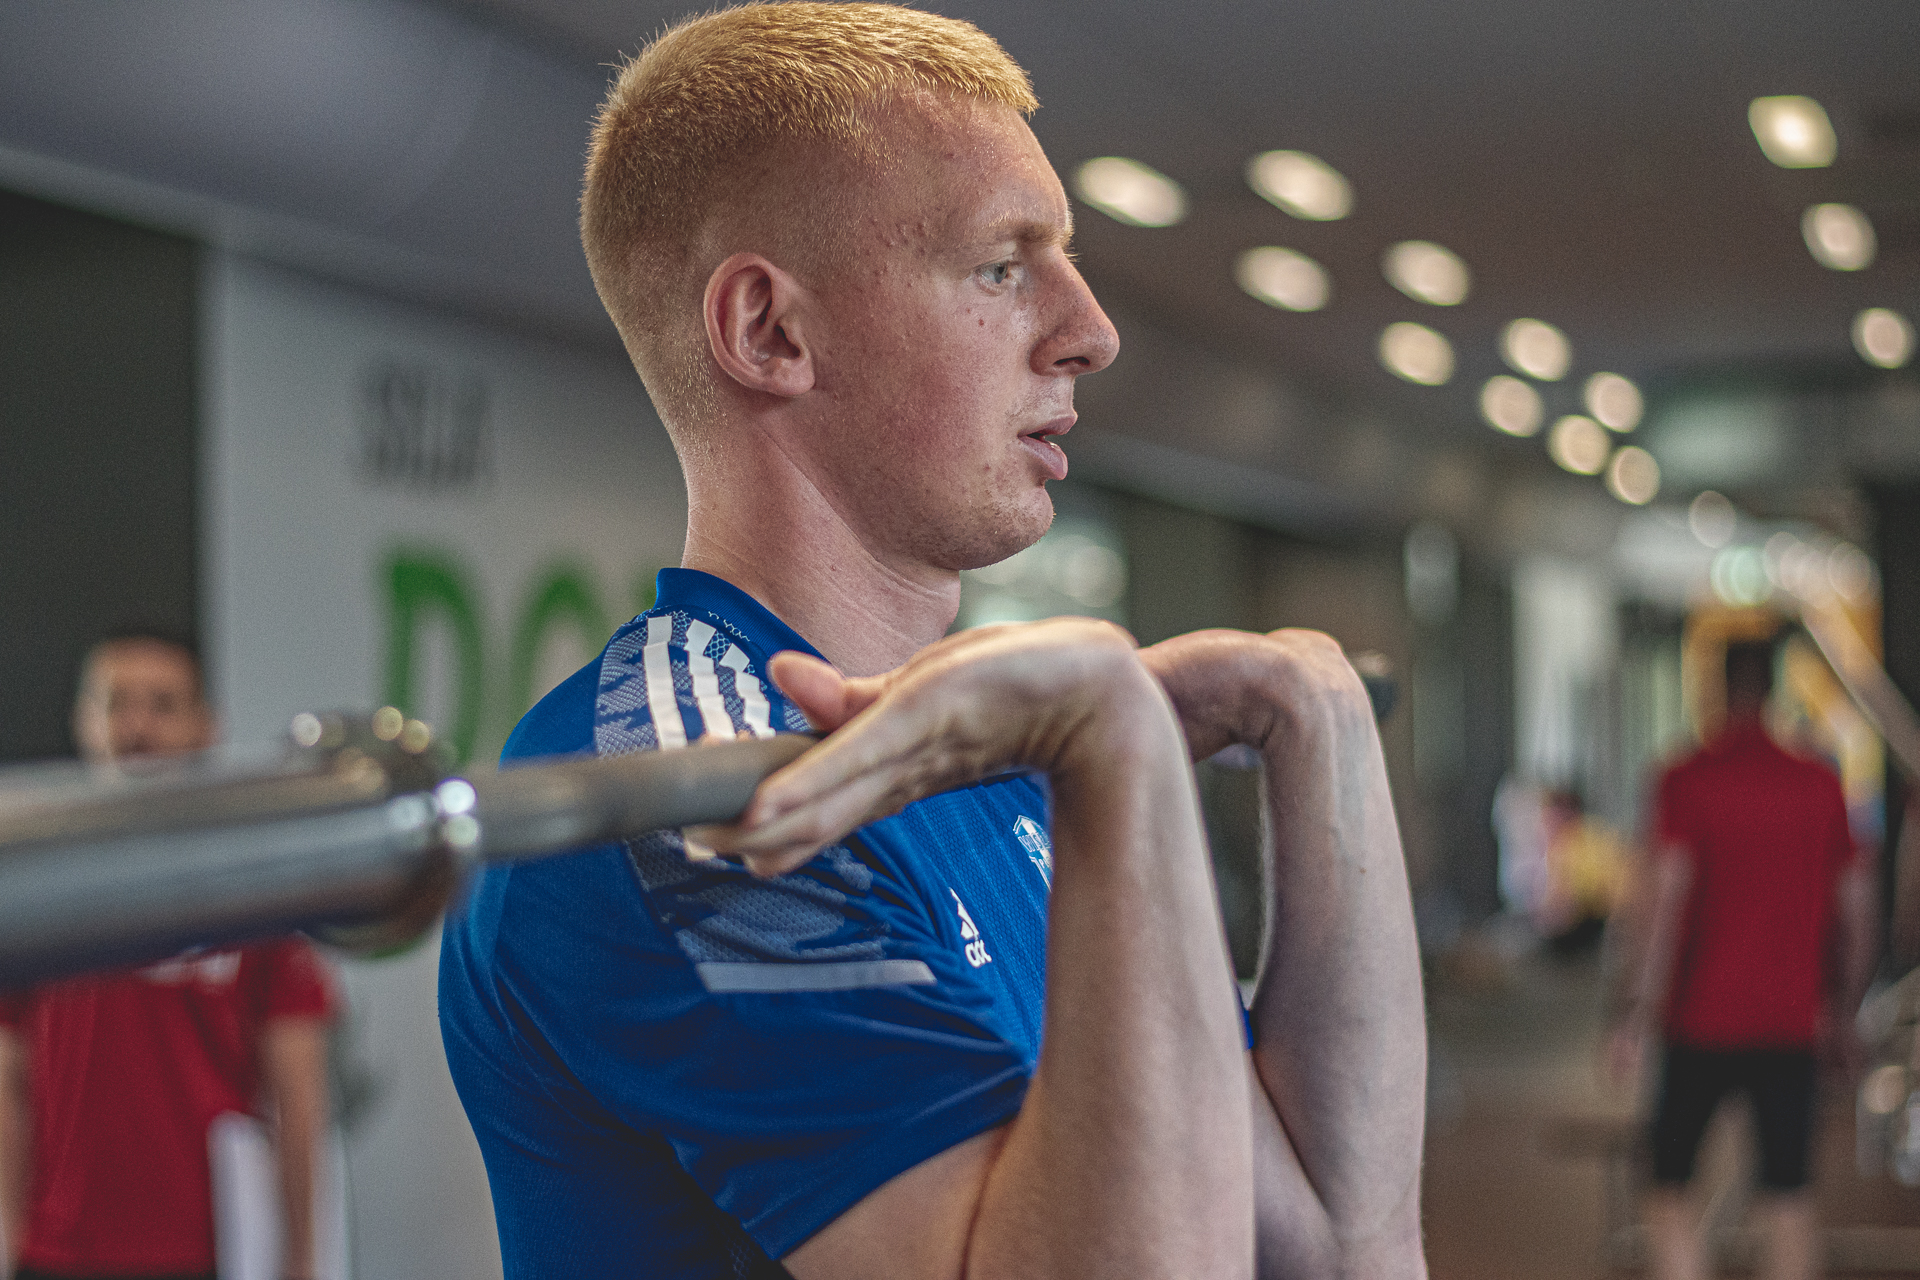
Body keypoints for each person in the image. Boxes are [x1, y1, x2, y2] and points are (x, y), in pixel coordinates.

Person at [437, 5, 1427, 1277]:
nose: (1091, 329)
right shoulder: (693, 796)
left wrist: (1313, 710)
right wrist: (1118, 741)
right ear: (771, 332)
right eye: (1002, 265)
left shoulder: (995, 756)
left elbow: (1348, 1243)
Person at [0, 632, 336, 1280]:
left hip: (209, 1253)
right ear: (83, 720)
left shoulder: (253, 886)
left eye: (162, 705)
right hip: (57, 1253)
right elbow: (6, 1079)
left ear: (206, 726)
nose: (137, 727)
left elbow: (297, 1095)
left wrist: (302, 1258)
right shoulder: (35, 884)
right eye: (117, 703)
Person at [1609, 637, 1876, 1280]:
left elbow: (1664, 905)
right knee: (1789, 1196)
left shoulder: (1686, 778)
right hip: (1792, 1023)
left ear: (1716, 689)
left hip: (1699, 1021)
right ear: (1774, 689)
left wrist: (1634, 1013)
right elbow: (1858, 913)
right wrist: (1843, 1010)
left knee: (1669, 1187)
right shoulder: (1818, 782)